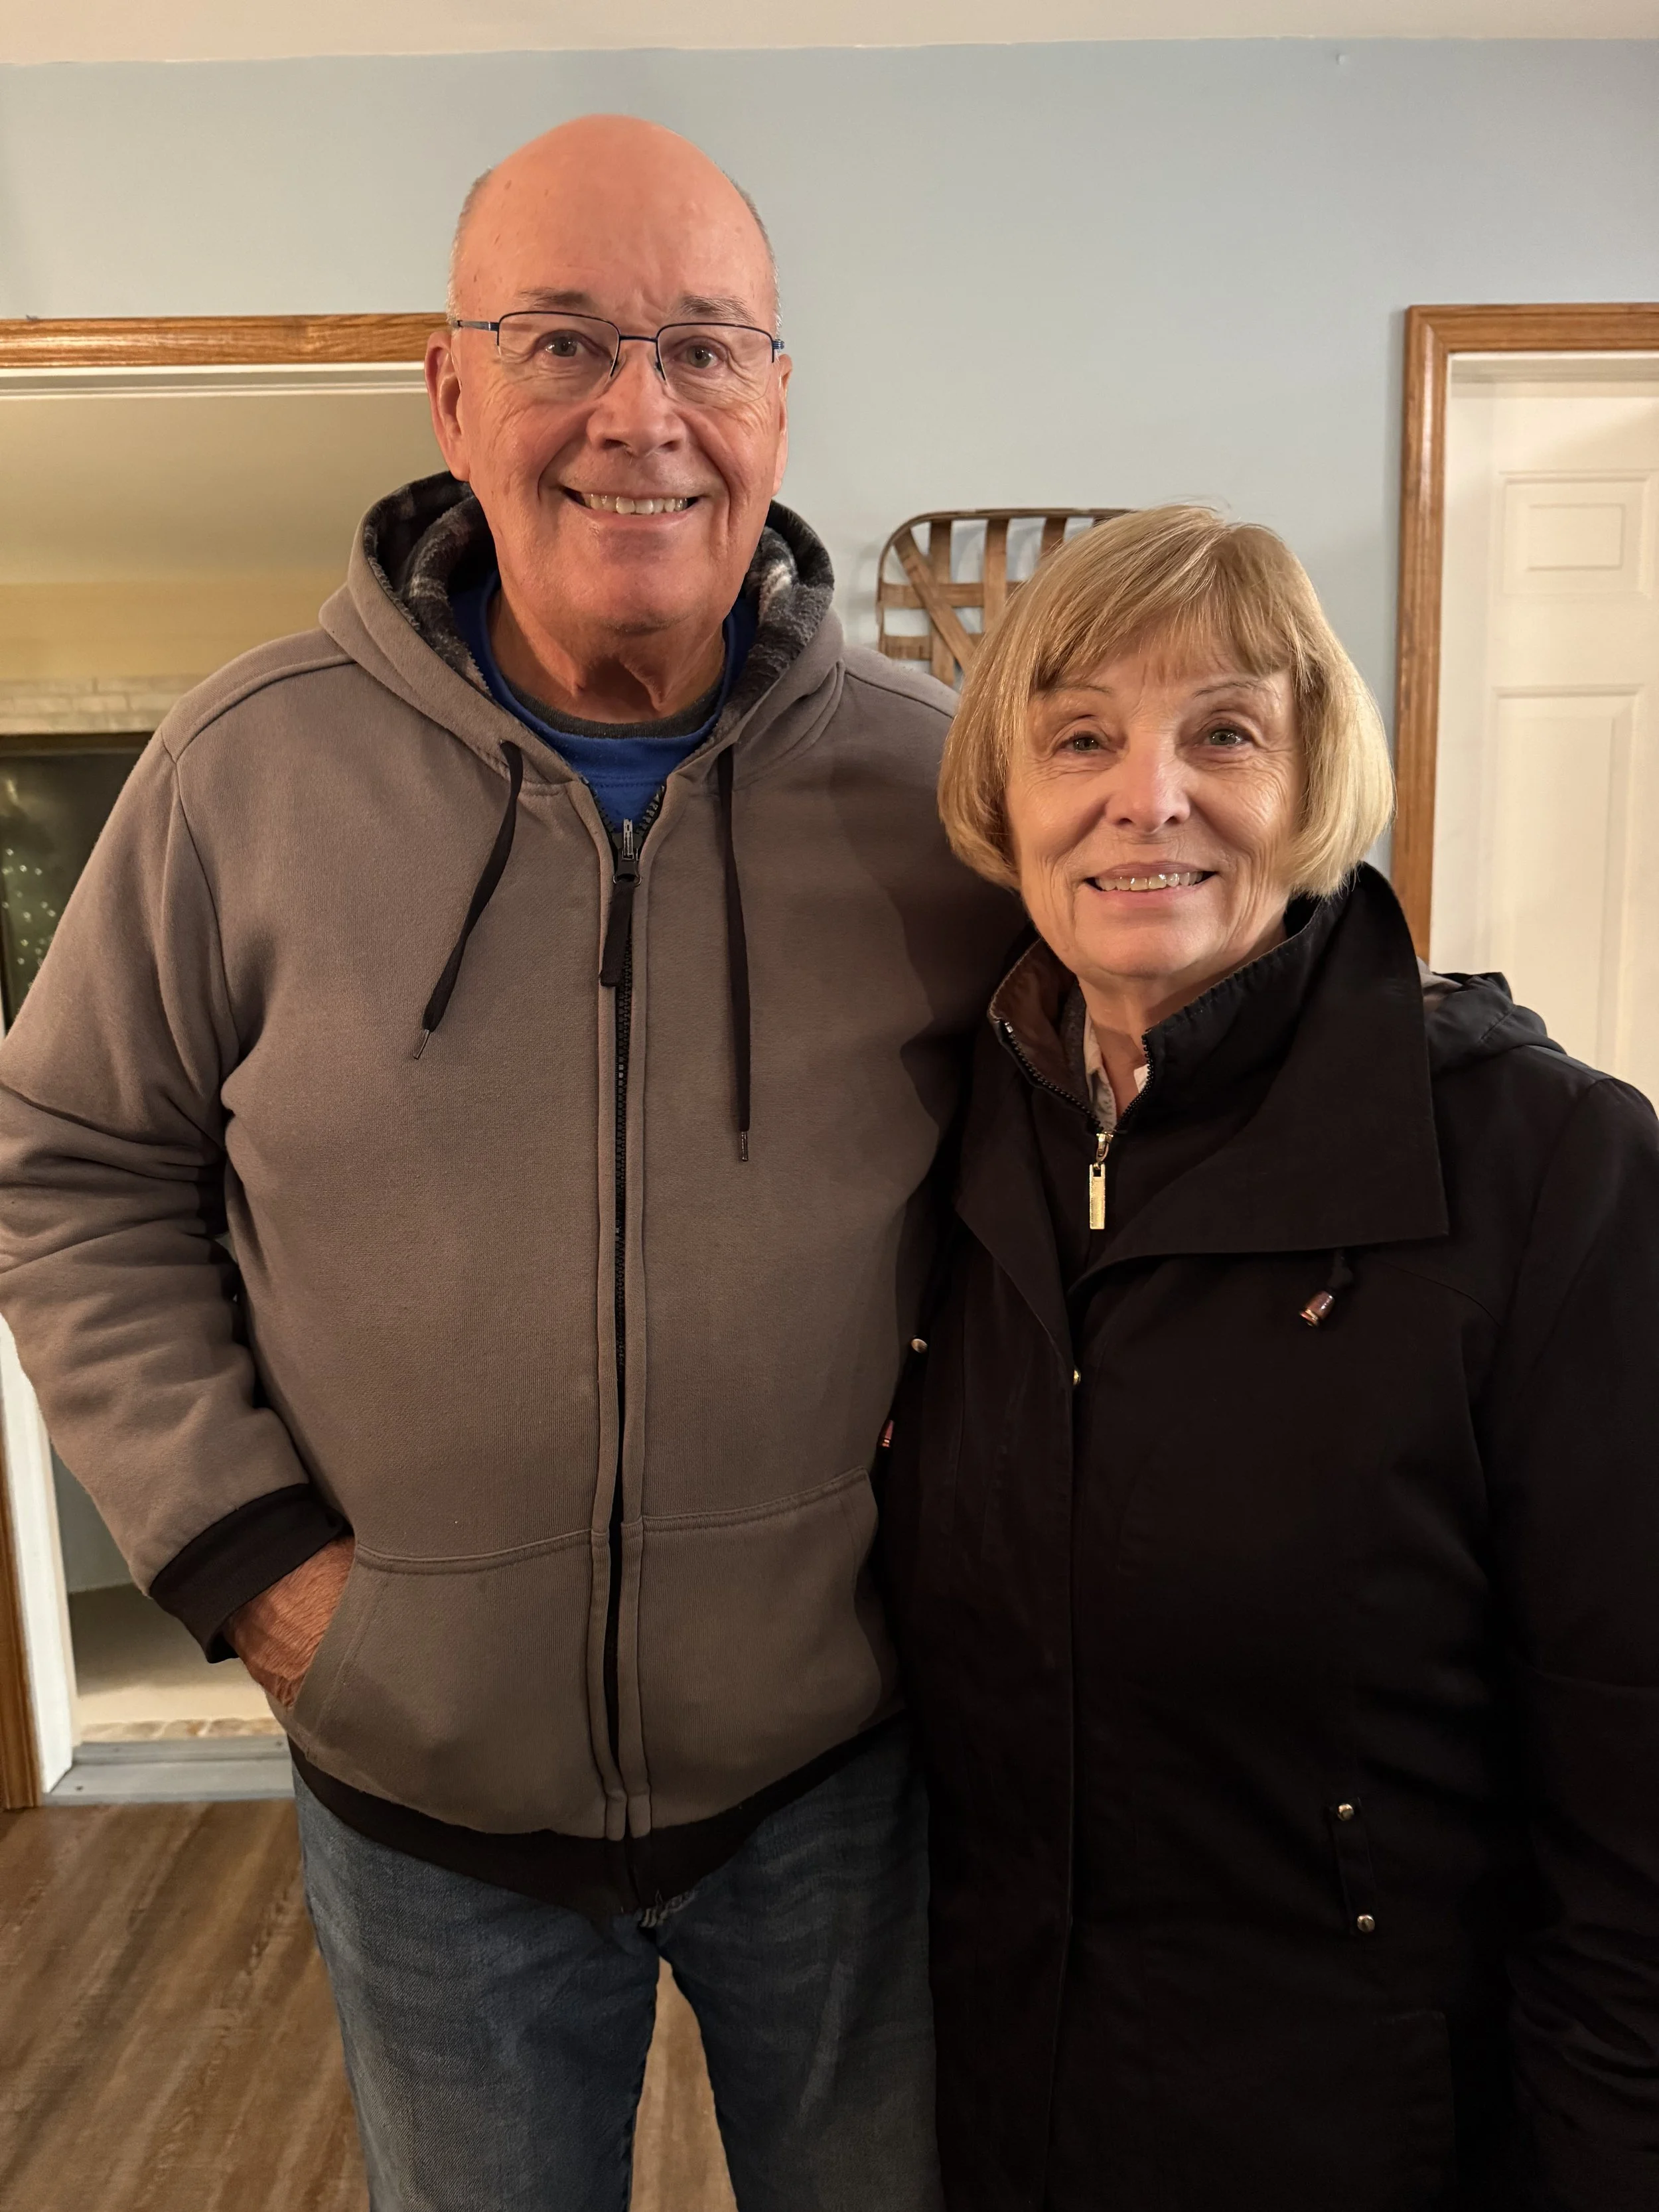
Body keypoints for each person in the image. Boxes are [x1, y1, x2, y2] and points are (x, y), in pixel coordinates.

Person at [0, 116, 1015, 2211]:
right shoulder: (243, 770)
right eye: (564, 342)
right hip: (418, 1806)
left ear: (776, 401)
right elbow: (68, 1158)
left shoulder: (936, 793)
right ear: (451, 395)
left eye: (703, 348)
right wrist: (251, 1567)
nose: (638, 414)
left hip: (840, 1775)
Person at [879, 504, 1659, 2212]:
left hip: (1374, 2137)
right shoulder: (949, 1143)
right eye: (1077, 734)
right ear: (1002, 798)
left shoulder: (1548, 1169)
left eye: (1221, 731)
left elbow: (1630, 1798)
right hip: (998, 2111)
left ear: (1310, 784)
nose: (1143, 794)